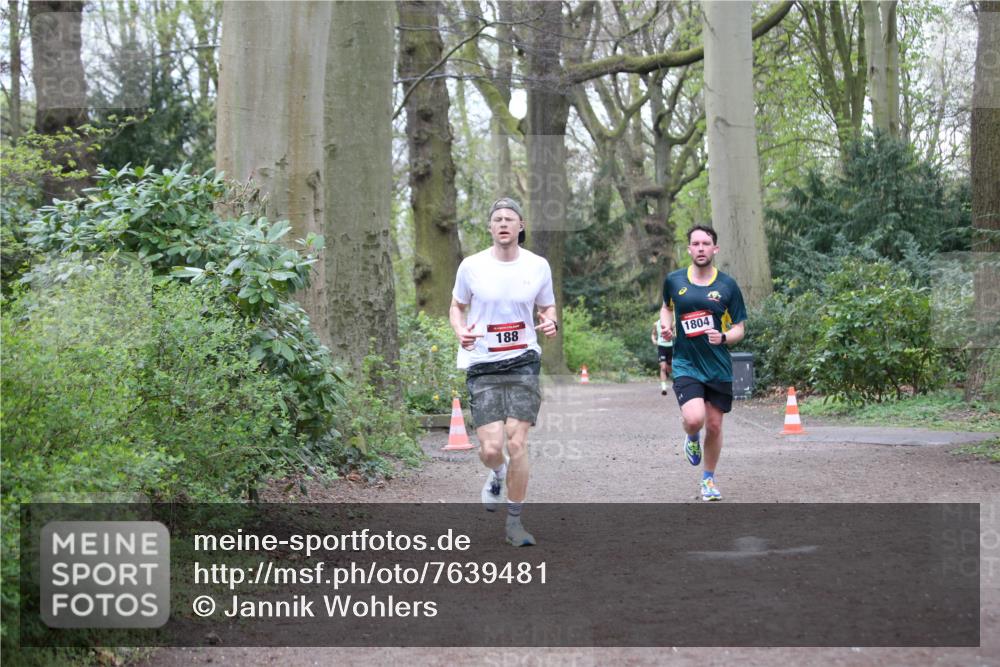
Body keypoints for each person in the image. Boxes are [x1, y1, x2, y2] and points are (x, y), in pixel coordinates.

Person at [449, 197, 558, 546]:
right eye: (497, 219)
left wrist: (551, 320)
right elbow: (457, 306)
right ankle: (496, 473)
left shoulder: (538, 265)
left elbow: (547, 305)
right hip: (483, 361)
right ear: (490, 227)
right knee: (493, 448)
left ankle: (514, 523)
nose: (503, 224)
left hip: (524, 358)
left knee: (517, 440)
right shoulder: (471, 266)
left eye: (510, 219)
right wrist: (460, 330)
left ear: (521, 226)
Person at [659, 224, 747, 501]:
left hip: (717, 365)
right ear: (689, 249)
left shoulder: (727, 286)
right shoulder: (674, 281)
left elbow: (740, 328)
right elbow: (666, 307)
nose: (700, 248)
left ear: (714, 249)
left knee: (716, 425)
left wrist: (722, 337)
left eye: (705, 244)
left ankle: (708, 480)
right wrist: (666, 327)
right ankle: (692, 436)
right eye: (695, 244)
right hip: (686, 362)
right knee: (694, 419)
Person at [651, 319, 673, 395]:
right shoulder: (656, 323)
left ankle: (672, 377)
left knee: (670, 369)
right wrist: (654, 340)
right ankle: (664, 388)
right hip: (661, 347)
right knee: (663, 367)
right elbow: (653, 334)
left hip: (671, 347)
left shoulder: (672, 323)